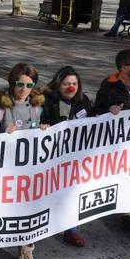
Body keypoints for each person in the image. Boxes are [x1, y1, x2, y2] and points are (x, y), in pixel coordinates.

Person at [0, 63, 48, 259]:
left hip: (28, 172)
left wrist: (44, 130)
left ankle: (26, 253)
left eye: (29, 85)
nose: (23, 89)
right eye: (20, 84)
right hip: (5, 172)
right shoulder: (0, 108)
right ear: (13, 83)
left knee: (30, 211)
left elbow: (40, 135)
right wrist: (1, 134)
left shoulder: (37, 108)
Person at [94, 49, 130, 233]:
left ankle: (128, 214)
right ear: (123, 67)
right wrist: (109, 110)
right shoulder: (110, 85)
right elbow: (98, 111)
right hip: (118, 143)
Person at [41, 66, 92, 247]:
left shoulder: (83, 100)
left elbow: (93, 122)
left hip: (75, 156)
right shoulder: (46, 101)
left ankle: (71, 231)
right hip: (51, 157)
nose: (71, 87)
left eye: (74, 83)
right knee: (48, 193)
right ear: (58, 84)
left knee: (72, 193)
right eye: (66, 84)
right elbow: (37, 122)